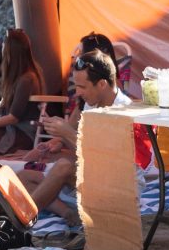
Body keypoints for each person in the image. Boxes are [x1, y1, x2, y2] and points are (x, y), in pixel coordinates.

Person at [27, 50, 128, 214]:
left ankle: (23, 218)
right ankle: (66, 212)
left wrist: (66, 133)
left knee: (63, 166)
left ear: (102, 84)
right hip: (92, 178)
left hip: (119, 189)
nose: (77, 92)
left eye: (82, 87)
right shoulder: (92, 103)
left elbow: (103, 162)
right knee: (23, 176)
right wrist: (57, 141)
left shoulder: (123, 112)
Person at [0, 28, 47, 154]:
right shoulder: (22, 76)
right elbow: (4, 104)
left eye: (4, 46)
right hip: (11, 129)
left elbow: (14, 118)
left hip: (22, 133)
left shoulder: (27, 79)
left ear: (9, 52)